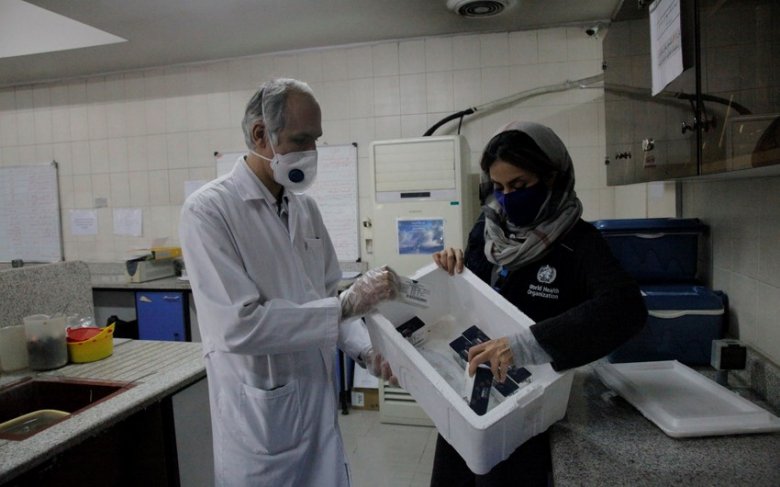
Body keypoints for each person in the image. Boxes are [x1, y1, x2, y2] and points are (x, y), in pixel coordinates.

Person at [179, 78, 398, 487]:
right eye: (301, 139)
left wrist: (368, 352)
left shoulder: (305, 209)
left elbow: (327, 299)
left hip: (316, 406)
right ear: (261, 135)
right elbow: (238, 326)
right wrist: (345, 305)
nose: (311, 152)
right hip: (261, 419)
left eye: (315, 139)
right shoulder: (209, 211)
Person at [430, 121, 647, 486]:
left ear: (552, 178)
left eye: (519, 186)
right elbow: (473, 298)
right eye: (498, 187)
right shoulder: (487, 230)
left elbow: (625, 308)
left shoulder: (579, 242)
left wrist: (525, 345)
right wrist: (453, 270)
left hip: (528, 411)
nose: (507, 198)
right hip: (470, 396)